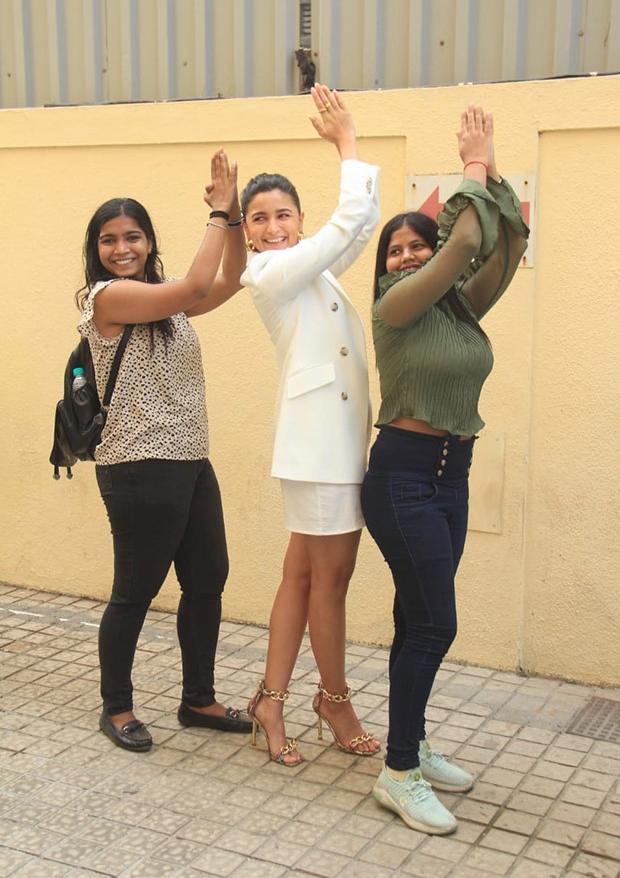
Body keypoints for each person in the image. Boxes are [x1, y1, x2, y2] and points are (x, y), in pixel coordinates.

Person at [361, 106, 529, 832]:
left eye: (414, 245)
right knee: (436, 623)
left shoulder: (461, 309)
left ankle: (413, 744)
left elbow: (505, 245)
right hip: (401, 479)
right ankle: (398, 772)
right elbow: (464, 235)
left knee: (413, 618)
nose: (405, 255)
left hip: (450, 477)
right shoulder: (395, 309)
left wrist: (491, 177)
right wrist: (470, 165)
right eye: (395, 248)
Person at [76, 150, 253, 751]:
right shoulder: (103, 298)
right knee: (136, 589)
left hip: (190, 461)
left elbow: (228, 279)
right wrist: (220, 210)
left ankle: (198, 699)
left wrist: (231, 222)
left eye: (132, 236)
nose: (121, 247)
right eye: (108, 239)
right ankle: (117, 707)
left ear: (150, 241)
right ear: (96, 249)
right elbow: (200, 283)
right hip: (136, 466)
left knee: (208, 579)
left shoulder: (169, 303)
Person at [240, 85, 381, 765]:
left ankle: (270, 698)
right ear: (247, 231)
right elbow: (339, 227)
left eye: (282, 215)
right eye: (259, 218)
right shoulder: (270, 273)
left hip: (331, 449)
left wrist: (352, 162)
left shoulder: (313, 271)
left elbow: (356, 226)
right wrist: (347, 145)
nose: (272, 227)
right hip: (318, 453)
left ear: (297, 219)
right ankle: (334, 698)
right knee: (332, 581)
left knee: (303, 578)